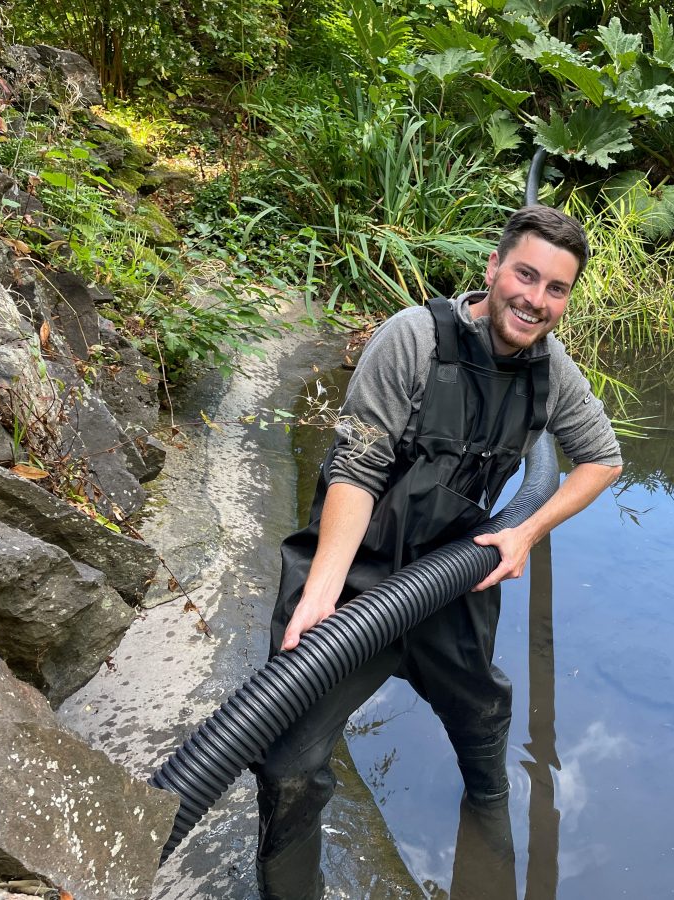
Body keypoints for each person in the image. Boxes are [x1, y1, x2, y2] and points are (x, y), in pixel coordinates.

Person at [253, 205, 623, 900]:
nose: (535, 300)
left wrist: (524, 531)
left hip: (455, 569)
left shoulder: (552, 371)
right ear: (493, 267)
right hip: (357, 565)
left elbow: (602, 459)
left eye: (556, 289)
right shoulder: (412, 340)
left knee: (482, 712)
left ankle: (487, 817)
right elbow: (356, 470)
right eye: (525, 275)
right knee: (288, 759)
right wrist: (325, 592)